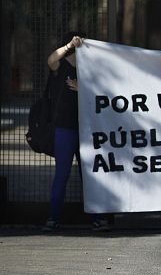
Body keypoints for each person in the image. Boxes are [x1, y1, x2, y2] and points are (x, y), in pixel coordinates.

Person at [41, 32, 110, 232]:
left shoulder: (89, 70)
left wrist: (84, 88)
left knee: (89, 174)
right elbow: (51, 59)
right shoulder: (60, 66)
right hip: (64, 129)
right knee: (62, 174)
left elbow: (102, 94)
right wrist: (68, 45)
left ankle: (98, 217)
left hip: (86, 129)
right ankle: (53, 217)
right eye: (74, 48)